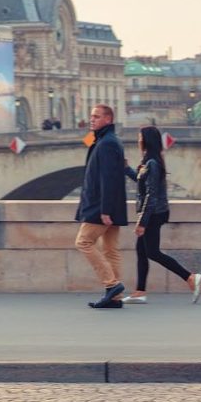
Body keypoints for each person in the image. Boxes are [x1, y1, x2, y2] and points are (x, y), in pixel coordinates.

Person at [121, 126, 201, 304]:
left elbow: (151, 194)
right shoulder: (150, 161)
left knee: (152, 252)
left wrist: (142, 222)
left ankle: (190, 277)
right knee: (142, 251)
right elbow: (142, 181)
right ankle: (139, 292)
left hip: (153, 214)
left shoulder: (152, 163)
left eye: (140, 137)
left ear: (146, 141)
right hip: (153, 212)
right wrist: (127, 169)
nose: (138, 141)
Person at [75, 104, 128, 309]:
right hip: (110, 204)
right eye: (91, 116)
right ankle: (114, 298)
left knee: (83, 242)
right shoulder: (108, 141)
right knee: (110, 250)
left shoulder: (106, 143)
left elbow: (108, 178)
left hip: (100, 206)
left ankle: (112, 285)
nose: (92, 120)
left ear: (108, 119)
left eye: (96, 117)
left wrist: (105, 210)